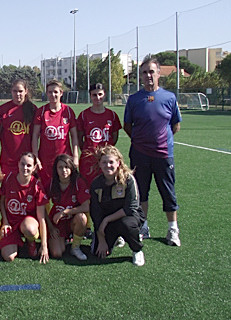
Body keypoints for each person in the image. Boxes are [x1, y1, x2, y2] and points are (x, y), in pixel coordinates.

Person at [123, 58, 182, 246]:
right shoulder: (134, 99)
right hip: (140, 154)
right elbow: (127, 126)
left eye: (151, 72)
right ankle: (143, 227)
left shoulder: (169, 98)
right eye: (144, 72)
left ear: (158, 74)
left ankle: (173, 229)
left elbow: (175, 125)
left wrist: (161, 141)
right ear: (140, 76)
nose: (148, 76)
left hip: (164, 154)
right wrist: (142, 141)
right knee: (141, 192)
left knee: (168, 192)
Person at [90, 145, 146, 266]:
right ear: (99, 164)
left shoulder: (128, 179)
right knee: (97, 252)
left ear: (118, 163)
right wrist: (101, 237)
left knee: (126, 225)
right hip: (109, 221)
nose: (108, 165)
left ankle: (137, 250)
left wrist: (106, 220)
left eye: (111, 162)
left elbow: (131, 208)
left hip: (129, 218)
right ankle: (115, 237)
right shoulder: (96, 184)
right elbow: (95, 213)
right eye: (104, 162)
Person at [0, 152, 49, 264]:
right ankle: (14, 240)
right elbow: (1, 202)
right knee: (9, 257)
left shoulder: (36, 186)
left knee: (30, 229)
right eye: (22, 164)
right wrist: (5, 222)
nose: (25, 168)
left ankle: (30, 241)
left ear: (34, 168)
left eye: (29, 165)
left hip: (27, 222)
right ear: (18, 164)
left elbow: (41, 218)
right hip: (11, 223)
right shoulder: (8, 179)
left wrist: (44, 246)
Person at [45, 154, 90, 260]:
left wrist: (65, 212)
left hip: (72, 220)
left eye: (67, 167)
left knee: (82, 217)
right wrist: (51, 227)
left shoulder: (78, 182)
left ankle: (75, 247)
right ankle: (63, 240)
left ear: (72, 168)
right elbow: (40, 206)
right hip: (57, 223)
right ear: (56, 169)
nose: (64, 170)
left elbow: (86, 207)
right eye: (60, 167)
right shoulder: (51, 183)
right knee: (57, 253)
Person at [32, 80, 79, 179]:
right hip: (45, 159)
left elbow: (74, 136)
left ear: (61, 93)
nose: (53, 95)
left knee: (65, 187)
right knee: (46, 188)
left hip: (65, 160)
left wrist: (75, 156)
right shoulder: (41, 112)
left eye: (56, 92)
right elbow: (35, 136)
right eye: (50, 92)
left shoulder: (68, 111)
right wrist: (36, 157)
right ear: (47, 93)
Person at [77, 83, 121, 185]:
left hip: (107, 159)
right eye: (94, 95)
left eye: (100, 94)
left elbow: (115, 137)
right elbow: (80, 138)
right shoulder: (84, 115)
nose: (98, 97)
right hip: (88, 160)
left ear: (104, 94)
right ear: (90, 96)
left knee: (106, 186)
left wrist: (107, 150)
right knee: (88, 188)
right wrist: (87, 150)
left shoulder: (112, 115)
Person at [0, 79, 38, 176]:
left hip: (27, 161)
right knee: (8, 188)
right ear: (11, 91)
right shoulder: (2, 109)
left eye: (20, 91)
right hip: (8, 159)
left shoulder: (33, 109)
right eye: (15, 91)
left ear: (26, 91)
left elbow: (36, 135)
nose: (18, 94)